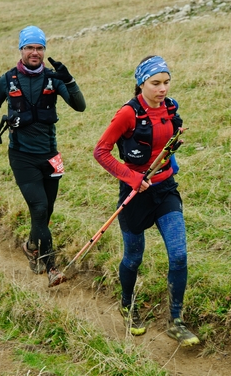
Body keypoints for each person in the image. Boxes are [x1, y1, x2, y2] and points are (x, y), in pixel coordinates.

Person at [93, 55, 199, 346]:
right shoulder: (128, 114)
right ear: (141, 83)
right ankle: (128, 306)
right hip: (134, 194)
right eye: (155, 83)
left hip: (165, 189)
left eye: (166, 82)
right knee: (134, 257)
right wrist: (131, 178)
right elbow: (101, 151)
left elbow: (168, 141)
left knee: (178, 255)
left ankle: (175, 321)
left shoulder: (171, 107)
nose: (162, 89)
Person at [0, 25, 86, 288]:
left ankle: (31, 246)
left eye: (39, 47)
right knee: (39, 208)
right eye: (29, 47)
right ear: (21, 50)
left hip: (51, 156)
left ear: (44, 50)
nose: (34, 52)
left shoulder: (54, 79)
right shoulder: (7, 79)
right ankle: (51, 265)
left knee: (45, 212)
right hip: (22, 157)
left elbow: (80, 106)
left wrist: (69, 80)